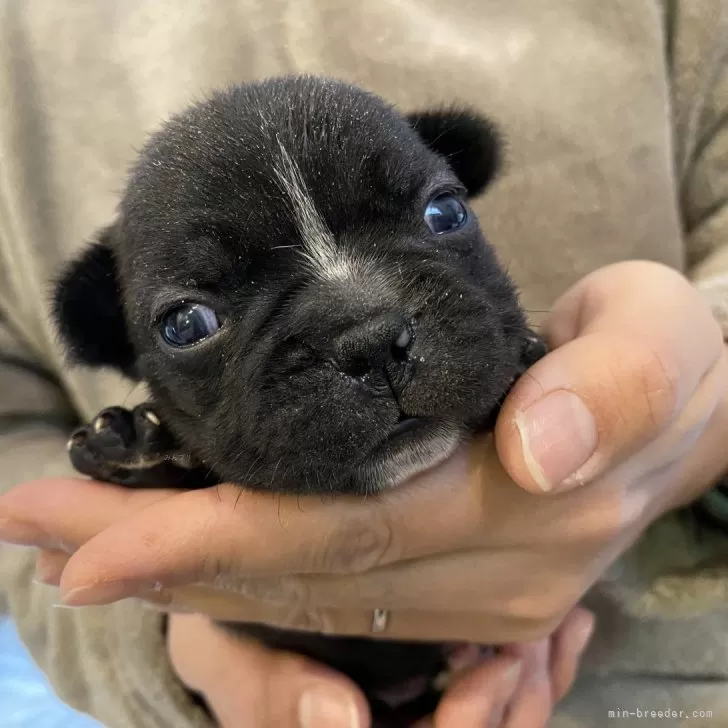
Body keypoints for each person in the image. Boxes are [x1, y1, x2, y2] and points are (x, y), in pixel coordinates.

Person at [1, 1, 728, 727]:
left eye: (439, 216)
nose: (372, 336)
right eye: (195, 322)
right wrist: (166, 630)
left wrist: (701, 419)